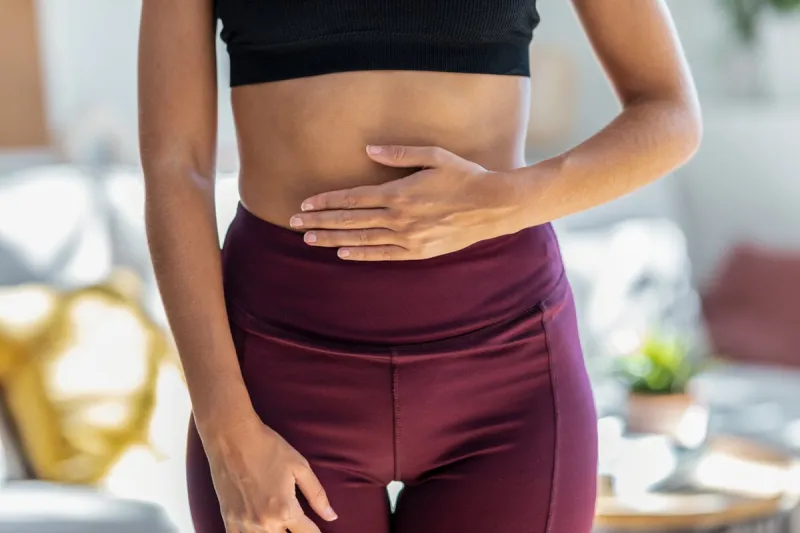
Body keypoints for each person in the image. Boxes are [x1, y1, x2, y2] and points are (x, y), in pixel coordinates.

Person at [138, 0, 701, 531]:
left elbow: (670, 113)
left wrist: (500, 202)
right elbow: (174, 168)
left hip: (510, 375)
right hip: (276, 377)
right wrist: (227, 431)